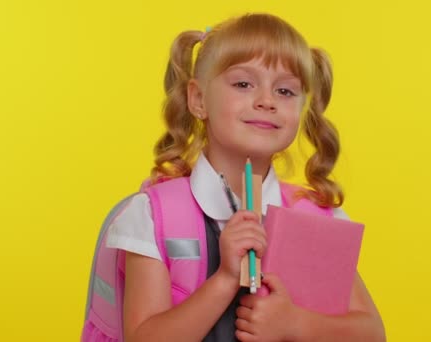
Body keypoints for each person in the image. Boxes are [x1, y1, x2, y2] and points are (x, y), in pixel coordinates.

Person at [86, 12, 385, 342]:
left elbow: (371, 333)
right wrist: (225, 278)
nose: (267, 101)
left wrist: (295, 324)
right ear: (198, 100)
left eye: (285, 91)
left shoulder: (315, 217)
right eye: (243, 84)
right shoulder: (153, 217)